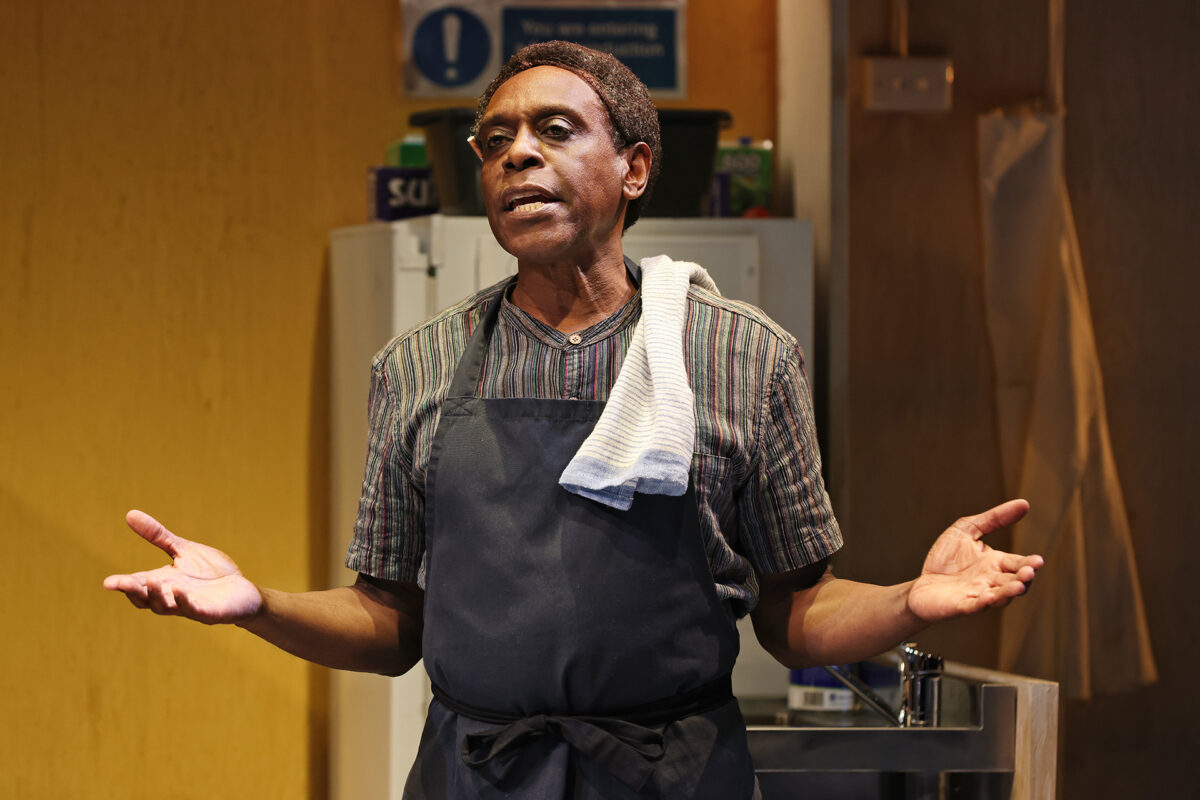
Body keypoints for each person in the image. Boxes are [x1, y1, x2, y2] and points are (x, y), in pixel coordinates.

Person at [105, 41, 1043, 799]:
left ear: (634, 168)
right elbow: (390, 622)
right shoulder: (419, 366)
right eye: (495, 140)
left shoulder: (744, 357)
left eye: (555, 130)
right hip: (477, 778)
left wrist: (907, 603)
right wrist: (257, 606)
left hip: (674, 778)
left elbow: (795, 610)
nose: (517, 154)